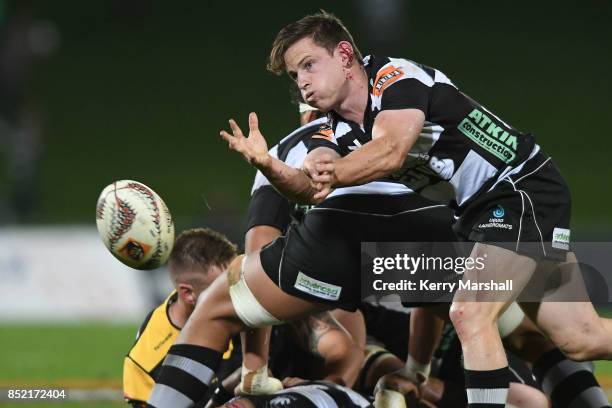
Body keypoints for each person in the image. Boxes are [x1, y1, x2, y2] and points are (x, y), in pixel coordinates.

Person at [255, 11, 612, 408]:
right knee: (581, 337)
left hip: (518, 189)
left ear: (343, 54)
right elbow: (311, 187)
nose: (301, 81)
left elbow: (390, 151)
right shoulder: (340, 125)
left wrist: (332, 173)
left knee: (470, 313)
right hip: (481, 210)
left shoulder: (395, 79)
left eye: (308, 65)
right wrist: (270, 166)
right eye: (293, 75)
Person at [123, 228, 241, 407]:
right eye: (220, 288)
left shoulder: (248, 308)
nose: (237, 294)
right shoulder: (145, 361)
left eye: (236, 282)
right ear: (188, 294)